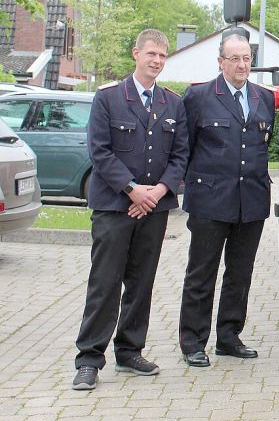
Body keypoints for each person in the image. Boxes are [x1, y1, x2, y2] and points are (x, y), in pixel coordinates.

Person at [72, 29, 189, 391]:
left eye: (162, 56)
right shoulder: (108, 98)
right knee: (104, 284)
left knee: (141, 284)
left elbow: (180, 154)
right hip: (114, 207)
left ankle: (129, 349)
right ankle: (89, 359)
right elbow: (100, 151)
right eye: (151, 54)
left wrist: (158, 191)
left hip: (153, 208)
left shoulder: (172, 102)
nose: (156, 61)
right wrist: (132, 190)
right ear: (135, 53)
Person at [178, 30, 275, 367]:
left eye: (247, 58)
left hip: (250, 200)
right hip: (209, 200)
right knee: (201, 273)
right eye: (234, 58)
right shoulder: (200, 96)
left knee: (240, 273)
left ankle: (229, 337)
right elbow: (185, 147)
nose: (241, 64)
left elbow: (261, 143)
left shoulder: (263, 97)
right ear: (220, 62)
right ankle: (193, 341)